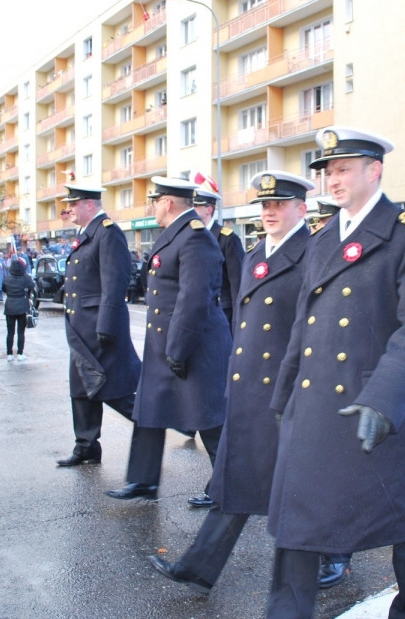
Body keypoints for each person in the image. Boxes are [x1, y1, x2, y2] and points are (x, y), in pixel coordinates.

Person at [265, 127, 405, 618]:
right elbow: (304, 324)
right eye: (328, 171)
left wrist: (384, 399)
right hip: (315, 406)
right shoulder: (324, 238)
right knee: (297, 524)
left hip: (377, 403)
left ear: (375, 170)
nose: (332, 180)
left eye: (343, 169)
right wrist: (284, 397)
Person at [150, 171, 337, 593]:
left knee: (305, 477)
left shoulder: (315, 254)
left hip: (292, 386)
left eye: (279, 205)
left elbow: (321, 327)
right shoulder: (256, 253)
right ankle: (199, 567)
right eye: (265, 205)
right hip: (251, 385)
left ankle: (335, 554)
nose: (270, 212)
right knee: (238, 477)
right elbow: (241, 316)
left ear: (302, 209)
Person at [106, 177, 230, 503]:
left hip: (193, 346)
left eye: (155, 200)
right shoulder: (175, 233)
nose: (153, 207)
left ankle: (227, 487)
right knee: (149, 410)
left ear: (168, 203)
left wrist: (177, 350)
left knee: (209, 419)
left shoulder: (195, 238)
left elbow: (194, 300)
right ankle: (142, 480)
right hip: (165, 344)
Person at [55, 185, 139, 467]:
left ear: (89, 205)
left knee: (114, 390)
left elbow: (115, 282)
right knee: (81, 388)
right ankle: (86, 446)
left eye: (73, 204)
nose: (69, 209)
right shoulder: (87, 233)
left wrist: (107, 324)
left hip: (99, 328)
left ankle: (158, 420)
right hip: (80, 327)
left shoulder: (107, 232)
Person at [192, 185, 244, 327]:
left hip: (222, 311)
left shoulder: (227, 239)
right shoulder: (191, 237)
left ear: (209, 209)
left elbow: (237, 282)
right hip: (196, 311)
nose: (192, 210)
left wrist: (238, 320)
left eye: (196, 206)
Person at [3, 258, 35, 362]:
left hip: (10, 305)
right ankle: (20, 353)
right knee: (21, 332)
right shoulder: (25, 278)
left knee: (10, 332)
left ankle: (9, 354)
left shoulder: (7, 279)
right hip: (22, 305)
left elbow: (4, 289)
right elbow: (32, 286)